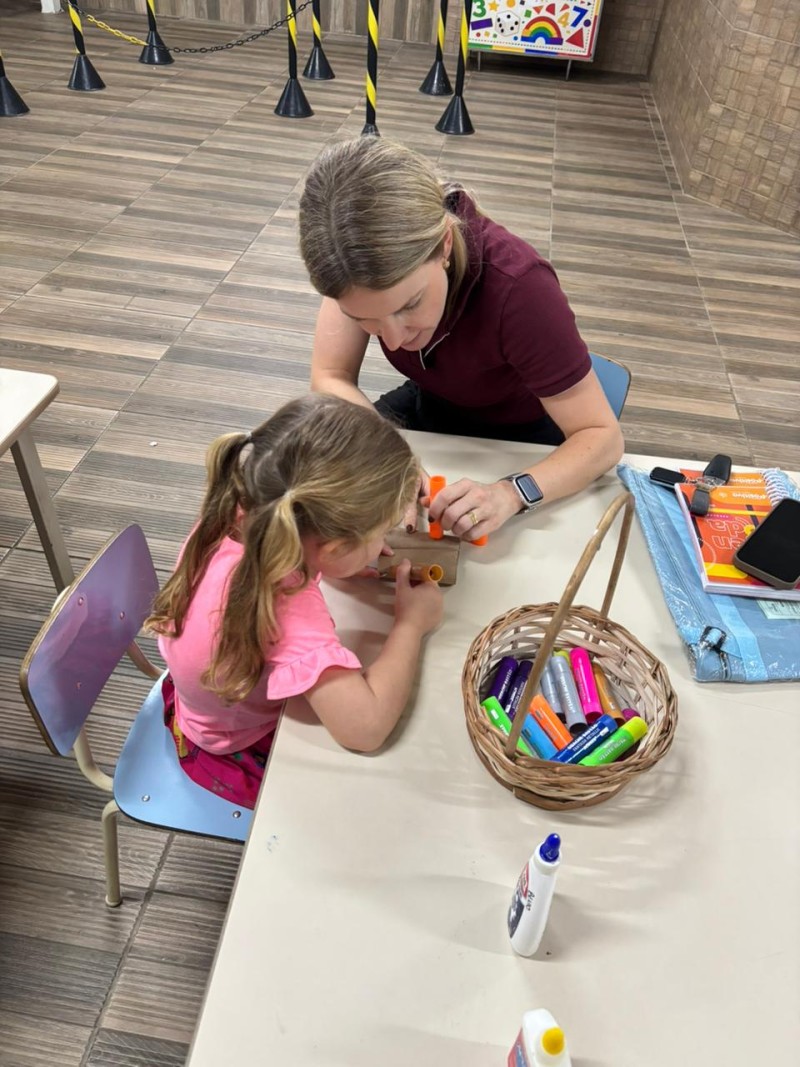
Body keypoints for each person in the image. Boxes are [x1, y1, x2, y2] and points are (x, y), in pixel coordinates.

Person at [298, 137, 624, 543]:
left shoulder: (521, 291)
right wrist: (389, 455)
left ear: (445, 245)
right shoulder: (349, 262)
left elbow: (603, 438)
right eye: (365, 319)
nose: (395, 341)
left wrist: (512, 493)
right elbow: (330, 376)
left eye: (410, 304)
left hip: (525, 434)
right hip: (432, 403)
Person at [146, 394, 443, 809]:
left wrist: (331, 564)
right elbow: (366, 729)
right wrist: (411, 624)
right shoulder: (289, 609)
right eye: (380, 534)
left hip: (200, 701)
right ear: (334, 547)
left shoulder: (240, 510)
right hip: (230, 745)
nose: (382, 546)